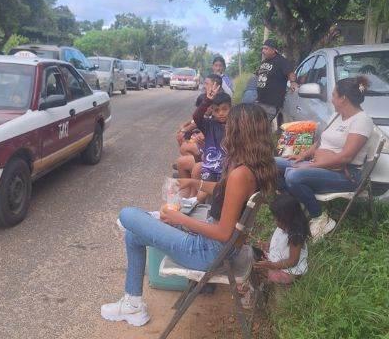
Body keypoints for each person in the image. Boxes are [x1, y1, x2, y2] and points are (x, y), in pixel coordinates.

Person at [101, 104, 276, 328]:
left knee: (127, 215)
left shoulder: (241, 174)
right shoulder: (252, 167)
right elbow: (226, 193)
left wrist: (180, 220)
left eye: (230, 124)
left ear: (240, 130)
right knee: (133, 235)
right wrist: (195, 182)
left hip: (206, 252)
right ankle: (133, 304)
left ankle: (142, 222)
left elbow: (223, 233)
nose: (226, 128)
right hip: (218, 248)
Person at [275, 75, 375, 240]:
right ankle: (297, 208)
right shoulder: (337, 116)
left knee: (293, 175)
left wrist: (310, 167)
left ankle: (319, 216)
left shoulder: (361, 121)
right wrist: (303, 156)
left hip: (346, 174)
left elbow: (345, 157)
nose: (332, 99)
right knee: (271, 164)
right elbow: (320, 142)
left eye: (334, 95)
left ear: (343, 98)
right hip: (320, 164)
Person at [252, 193, 309, 284]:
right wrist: (268, 246)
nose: (275, 222)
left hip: (289, 270)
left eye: (277, 219)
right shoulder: (284, 227)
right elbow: (281, 246)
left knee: (259, 269)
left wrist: (273, 265)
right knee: (252, 254)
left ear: (287, 219)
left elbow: (292, 261)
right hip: (278, 262)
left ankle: (269, 278)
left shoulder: (296, 235)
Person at [253, 39, 294, 127]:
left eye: (266, 49)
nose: (263, 51)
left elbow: (290, 73)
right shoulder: (264, 62)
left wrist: (293, 82)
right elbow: (257, 75)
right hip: (260, 101)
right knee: (257, 126)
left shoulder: (281, 61)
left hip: (271, 104)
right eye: (263, 49)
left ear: (274, 50)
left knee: (259, 127)